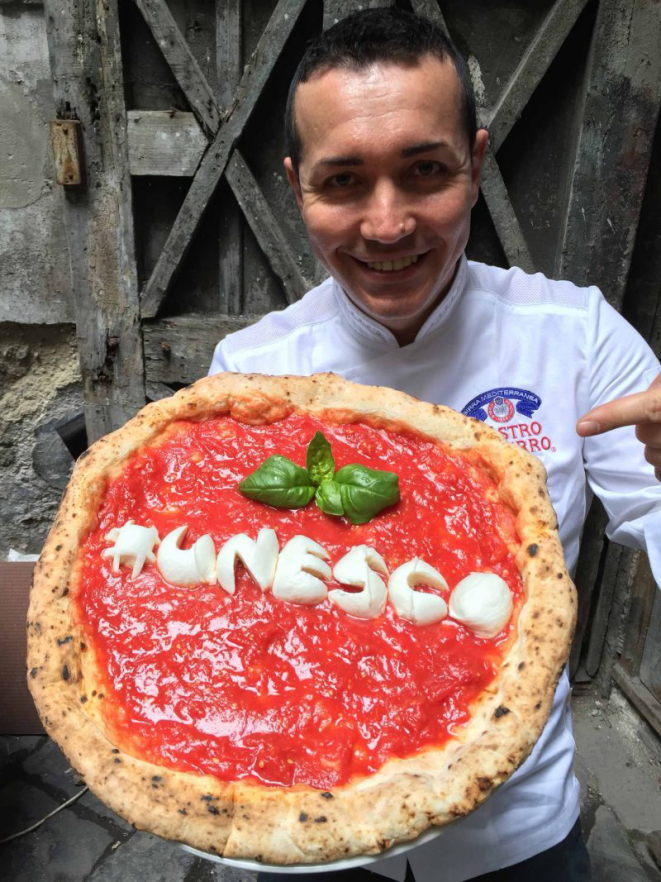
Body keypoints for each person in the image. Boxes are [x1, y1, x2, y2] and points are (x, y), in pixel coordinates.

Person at [209, 8, 661, 880]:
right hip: (311, 817)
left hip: (514, 826)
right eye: (343, 182)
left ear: (476, 165)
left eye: (424, 171)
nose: (387, 225)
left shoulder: (578, 338)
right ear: (297, 187)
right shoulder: (249, 372)